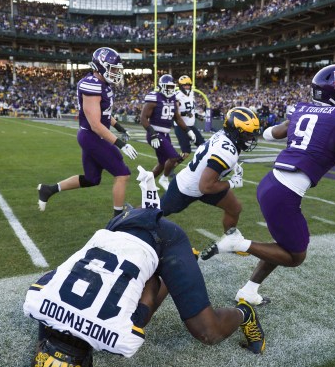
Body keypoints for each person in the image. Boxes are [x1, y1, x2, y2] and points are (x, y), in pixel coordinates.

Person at [23, 170, 265, 367]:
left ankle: (244, 312)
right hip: (118, 225)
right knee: (130, 309)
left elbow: (150, 288)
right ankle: (176, 265)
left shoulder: (120, 340)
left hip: (163, 238)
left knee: (208, 332)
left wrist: (159, 269)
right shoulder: (36, 303)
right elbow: (62, 274)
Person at [201, 64, 335, 305]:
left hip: (272, 183)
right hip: (284, 193)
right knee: (295, 256)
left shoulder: (302, 111)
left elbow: (270, 134)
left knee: (284, 245)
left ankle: (249, 290)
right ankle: (237, 243)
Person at [37, 47, 138, 216]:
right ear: (100, 66)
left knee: (92, 179)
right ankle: (118, 218)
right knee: (123, 173)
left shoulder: (103, 84)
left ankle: (48, 190)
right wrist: (121, 144)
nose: (115, 73)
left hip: (93, 136)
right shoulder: (91, 85)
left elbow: (105, 114)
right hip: (93, 136)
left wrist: (121, 128)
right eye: (112, 69)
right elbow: (95, 124)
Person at [161, 107, 260, 235]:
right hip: (187, 187)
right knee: (154, 212)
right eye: (248, 134)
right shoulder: (226, 152)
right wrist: (232, 183)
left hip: (206, 179)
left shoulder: (225, 134)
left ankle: (230, 239)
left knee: (234, 208)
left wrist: (230, 166)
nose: (251, 139)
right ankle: (130, 217)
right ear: (234, 131)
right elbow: (206, 187)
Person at [140, 74, 196, 191]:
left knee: (162, 163)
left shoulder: (173, 98)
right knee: (174, 157)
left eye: (172, 87)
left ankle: (146, 183)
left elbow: (177, 117)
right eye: (168, 87)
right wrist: (153, 134)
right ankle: (164, 179)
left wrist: (188, 130)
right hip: (155, 133)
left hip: (165, 134)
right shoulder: (154, 97)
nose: (170, 90)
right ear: (161, 86)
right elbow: (143, 118)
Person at [173, 75, 205, 157]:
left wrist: (197, 115)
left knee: (204, 147)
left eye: (188, 85)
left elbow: (191, 110)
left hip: (191, 126)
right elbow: (174, 113)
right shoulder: (177, 96)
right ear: (180, 86)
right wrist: (184, 113)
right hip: (181, 127)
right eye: (185, 85)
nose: (187, 87)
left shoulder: (191, 94)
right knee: (186, 152)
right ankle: (171, 167)